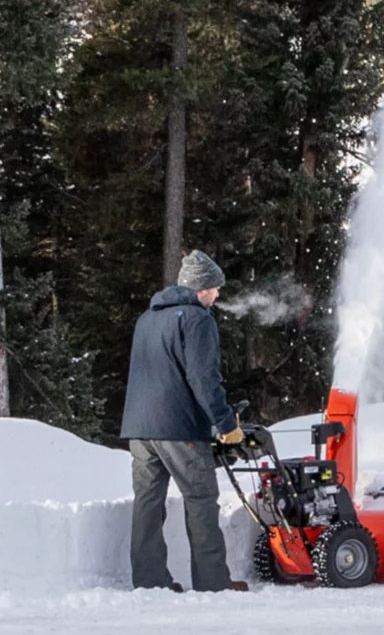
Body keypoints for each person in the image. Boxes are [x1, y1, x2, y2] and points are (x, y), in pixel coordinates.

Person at [120, 249, 248, 592]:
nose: (218, 295)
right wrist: (225, 424)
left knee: (148, 503)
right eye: (215, 288)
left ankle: (149, 581)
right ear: (201, 288)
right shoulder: (197, 319)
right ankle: (213, 583)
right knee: (201, 500)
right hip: (178, 427)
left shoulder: (147, 318)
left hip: (140, 428)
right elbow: (204, 378)